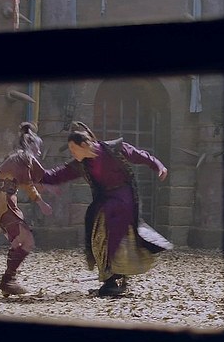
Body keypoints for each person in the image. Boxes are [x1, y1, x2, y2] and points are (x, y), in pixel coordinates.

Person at [40, 124, 172, 296]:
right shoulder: (82, 164)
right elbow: (58, 174)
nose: (72, 153)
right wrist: (34, 173)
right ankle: (111, 278)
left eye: (73, 149)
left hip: (124, 198)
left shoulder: (114, 149)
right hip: (105, 200)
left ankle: (114, 277)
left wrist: (158, 166)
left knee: (113, 232)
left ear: (84, 145)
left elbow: (139, 155)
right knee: (98, 233)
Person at [0, 121, 53, 297]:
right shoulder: (22, 158)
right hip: (5, 201)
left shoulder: (20, 157)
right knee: (27, 241)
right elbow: (28, 184)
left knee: (18, 242)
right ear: (30, 145)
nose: (39, 152)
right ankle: (8, 281)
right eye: (37, 148)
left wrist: (50, 185)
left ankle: (8, 281)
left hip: (5, 199)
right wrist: (41, 203)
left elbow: (39, 176)